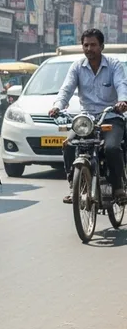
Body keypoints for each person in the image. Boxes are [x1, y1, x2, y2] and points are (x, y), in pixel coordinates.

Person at [49, 28, 127, 204]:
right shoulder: (77, 67)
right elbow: (66, 89)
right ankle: (73, 187)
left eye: (93, 45)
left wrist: (122, 101)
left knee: (112, 148)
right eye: (86, 45)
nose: (89, 49)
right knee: (69, 145)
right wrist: (57, 106)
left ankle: (118, 187)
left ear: (102, 46)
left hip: (111, 117)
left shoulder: (114, 65)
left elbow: (121, 85)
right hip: (86, 120)